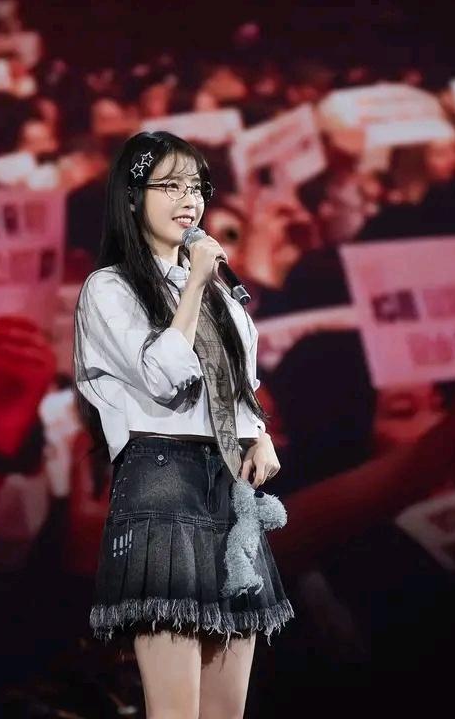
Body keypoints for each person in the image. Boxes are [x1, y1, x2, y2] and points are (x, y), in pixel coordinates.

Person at [72, 131, 292, 718]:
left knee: (226, 709)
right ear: (132, 196)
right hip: (162, 479)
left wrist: (258, 431)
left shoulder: (218, 291)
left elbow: (238, 382)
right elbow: (164, 374)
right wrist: (193, 282)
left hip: (227, 482)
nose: (188, 199)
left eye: (195, 186)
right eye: (169, 185)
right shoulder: (110, 288)